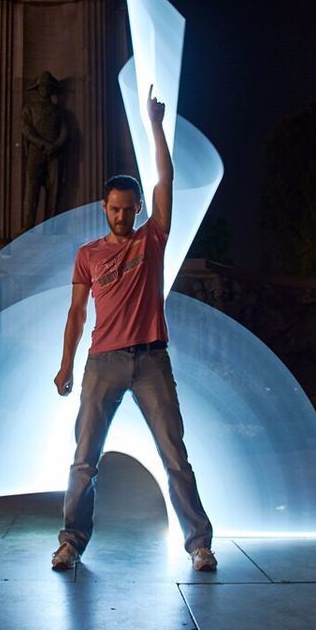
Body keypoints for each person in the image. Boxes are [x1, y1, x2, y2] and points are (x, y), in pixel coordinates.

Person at [50, 87, 216, 572]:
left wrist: (156, 125)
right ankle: (70, 543)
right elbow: (77, 314)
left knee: (175, 458)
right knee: (84, 461)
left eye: (130, 208)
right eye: (115, 208)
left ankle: (199, 544)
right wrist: (65, 365)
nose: (122, 215)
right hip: (102, 363)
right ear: (104, 207)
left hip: (150, 360)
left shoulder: (153, 239)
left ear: (140, 209)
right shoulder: (88, 255)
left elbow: (166, 178)